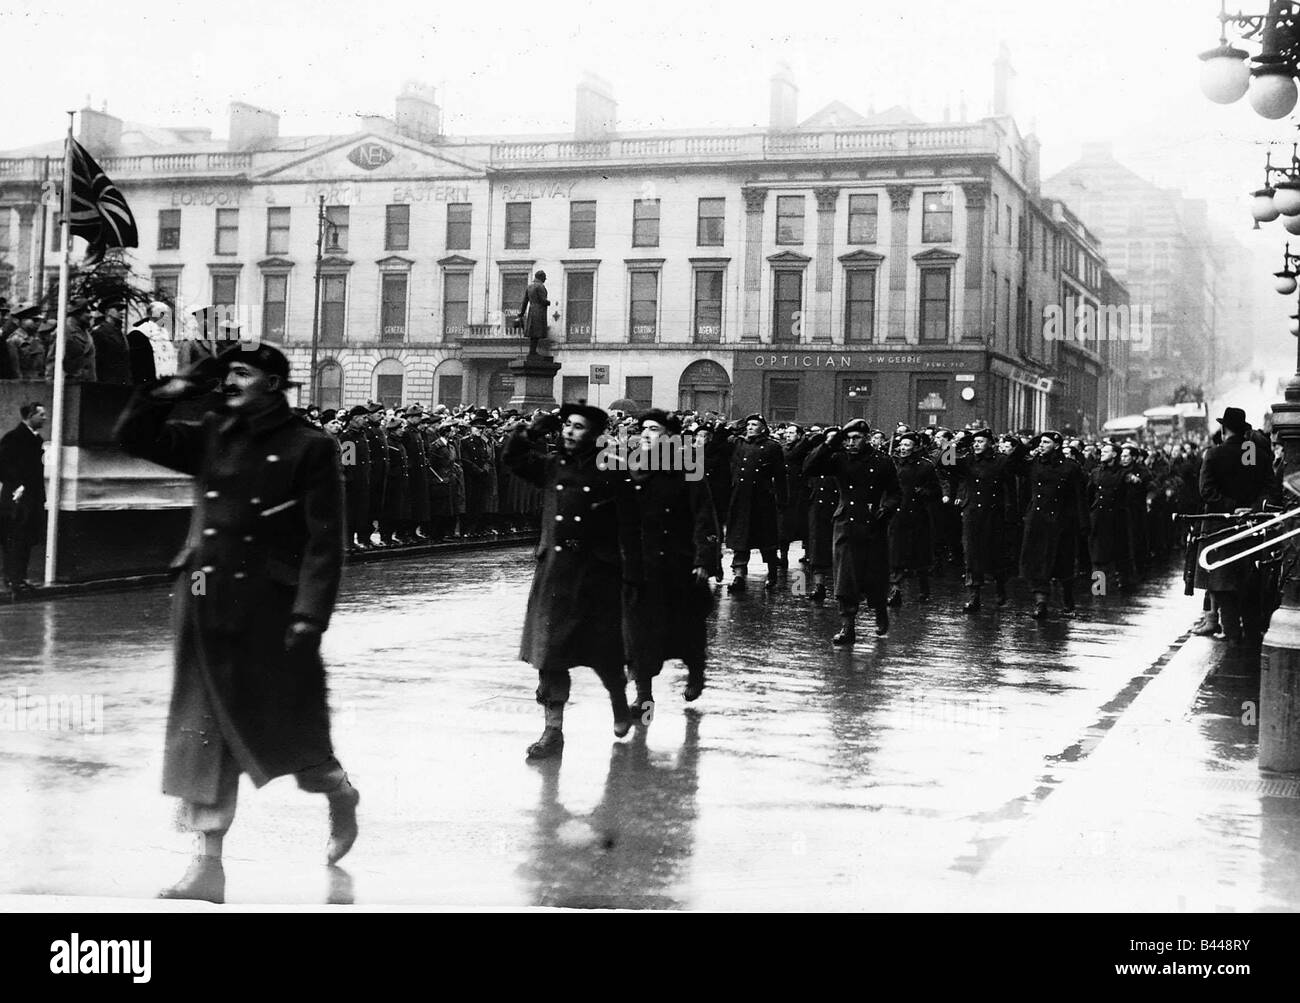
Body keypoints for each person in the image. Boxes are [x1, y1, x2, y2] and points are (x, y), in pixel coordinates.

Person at [114, 343, 359, 904]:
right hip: (202, 594)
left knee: (287, 737)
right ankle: (208, 865)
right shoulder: (213, 431)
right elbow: (133, 436)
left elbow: (325, 542)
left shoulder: (310, 447)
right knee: (205, 732)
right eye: (226, 373)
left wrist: (309, 614)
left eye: (242, 374)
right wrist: (179, 388)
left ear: (274, 384)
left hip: (270, 609)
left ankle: (338, 791)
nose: (229, 382)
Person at [502, 403, 639, 760]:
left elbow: (630, 522)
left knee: (605, 651)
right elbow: (512, 457)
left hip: (597, 573)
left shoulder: (612, 470)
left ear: (594, 434)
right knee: (551, 653)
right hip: (556, 573)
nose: (568, 432)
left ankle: (620, 705)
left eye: (578, 427)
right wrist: (534, 428)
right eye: (566, 426)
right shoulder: (551, 466)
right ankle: (553, 731)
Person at [622, 409, 719, 717]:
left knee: (687, 628)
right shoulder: (633, 466)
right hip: (642, 563)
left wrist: (705, 558)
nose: (646, 434)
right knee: (639, 633)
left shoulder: (688, 466)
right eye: (644, 429)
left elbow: (705, 515)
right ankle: (643, 697)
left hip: (679, 562)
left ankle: (696, 674)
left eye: (654, 428)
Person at [802, 419, 900, 645]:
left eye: (856, 438)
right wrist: (828, 444)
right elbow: (809, 467)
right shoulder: (838, 459)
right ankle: (848, 626)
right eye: (847, 438)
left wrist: (886, 509)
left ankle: (880, 611)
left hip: (873, 524)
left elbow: (895, 492)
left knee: (875, 576)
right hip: (846, 523)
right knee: (845, 577)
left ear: (865, 438)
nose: (851, 443)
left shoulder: (882, 461)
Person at [940, 426, 1017, 612]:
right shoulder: (967, 460)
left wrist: (1010, 513)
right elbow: (945, 462)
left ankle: (1000, 587)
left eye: (980, 441)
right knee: (971, 554)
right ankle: (973, 596)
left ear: (990, 443)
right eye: (974, 442)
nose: (976, 445)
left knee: (996, 554)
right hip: (972, 512)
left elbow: (1010, 489)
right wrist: (956, 443)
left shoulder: (1001, 461)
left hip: (994, 513)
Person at [1019, 431, 1088, 619]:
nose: (1041, 445)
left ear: (1056, 446)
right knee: (1037, 563)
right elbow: (1012, 465)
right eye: (1040, 442)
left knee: (1062, 564)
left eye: (1046, 442)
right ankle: (1040, 603)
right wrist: (1029, 445)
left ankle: (1068, 600)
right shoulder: (1033, 463)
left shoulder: (1070, 468)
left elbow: (1079, 497)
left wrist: (1082, 524)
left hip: (1061, 523)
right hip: (1037, 520)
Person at [724, 413, 787, 593]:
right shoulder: (738, 443)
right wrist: (733, 425)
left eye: (754, 424)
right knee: (739, 540)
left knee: (766, 540)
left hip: (762, 501)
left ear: (763, 428)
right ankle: (739, 575)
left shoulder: (772, 447)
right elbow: (718, 440)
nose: (750, 427)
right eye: (748, 424)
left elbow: (780, 476)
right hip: (740, 499)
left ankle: (772, 573)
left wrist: (782, 500)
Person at [887, 431, 941, 605]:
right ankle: (895, 590)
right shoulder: (892, 464)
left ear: (915, 447)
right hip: (896, 514)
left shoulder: (925, 466)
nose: (903, 448)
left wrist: (923, 492)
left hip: (917, 515)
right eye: (901, 445)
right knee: (895, 552)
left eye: (907, 445)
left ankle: (924, 589)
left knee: (920, 555)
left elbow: (936, 490)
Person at [0, 402, 47, 593]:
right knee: (15, 538)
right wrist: (16, 485)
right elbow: (2, 465)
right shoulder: (13, 438)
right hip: (17, 498)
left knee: (25, 538)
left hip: (31, 497)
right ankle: (13, 579)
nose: (44, 418)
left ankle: (19, 577)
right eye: (41, 415)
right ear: (29, 416)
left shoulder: (35, 439)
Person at [45, 297, 96, 383]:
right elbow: (52, 363)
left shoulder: (86, 333)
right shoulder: (63, 332)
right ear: (77, 313)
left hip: (85, 387)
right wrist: (51, 388)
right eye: (87, 312)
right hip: (67, 388)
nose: (90, 316)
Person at [91, 303, 132, 386]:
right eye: (118, 309)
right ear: (108, 312)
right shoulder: (99, 333)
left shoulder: (120, 333)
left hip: (122, 383)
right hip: (107, 384)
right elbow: (96, 362)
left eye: (122, 310)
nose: (122, 312)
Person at [518, 270, 550, 357]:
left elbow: (525, 301)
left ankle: (532, 351)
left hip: (531, 311)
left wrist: (521, 313)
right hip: (539, 311)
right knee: (537, 332)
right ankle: (532, 352)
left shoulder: (529, 287)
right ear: (541, 278)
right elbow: (542, 300)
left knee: (533, 333)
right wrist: (548, 302)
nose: (544, 280)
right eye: (544, 278)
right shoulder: (540, 287)